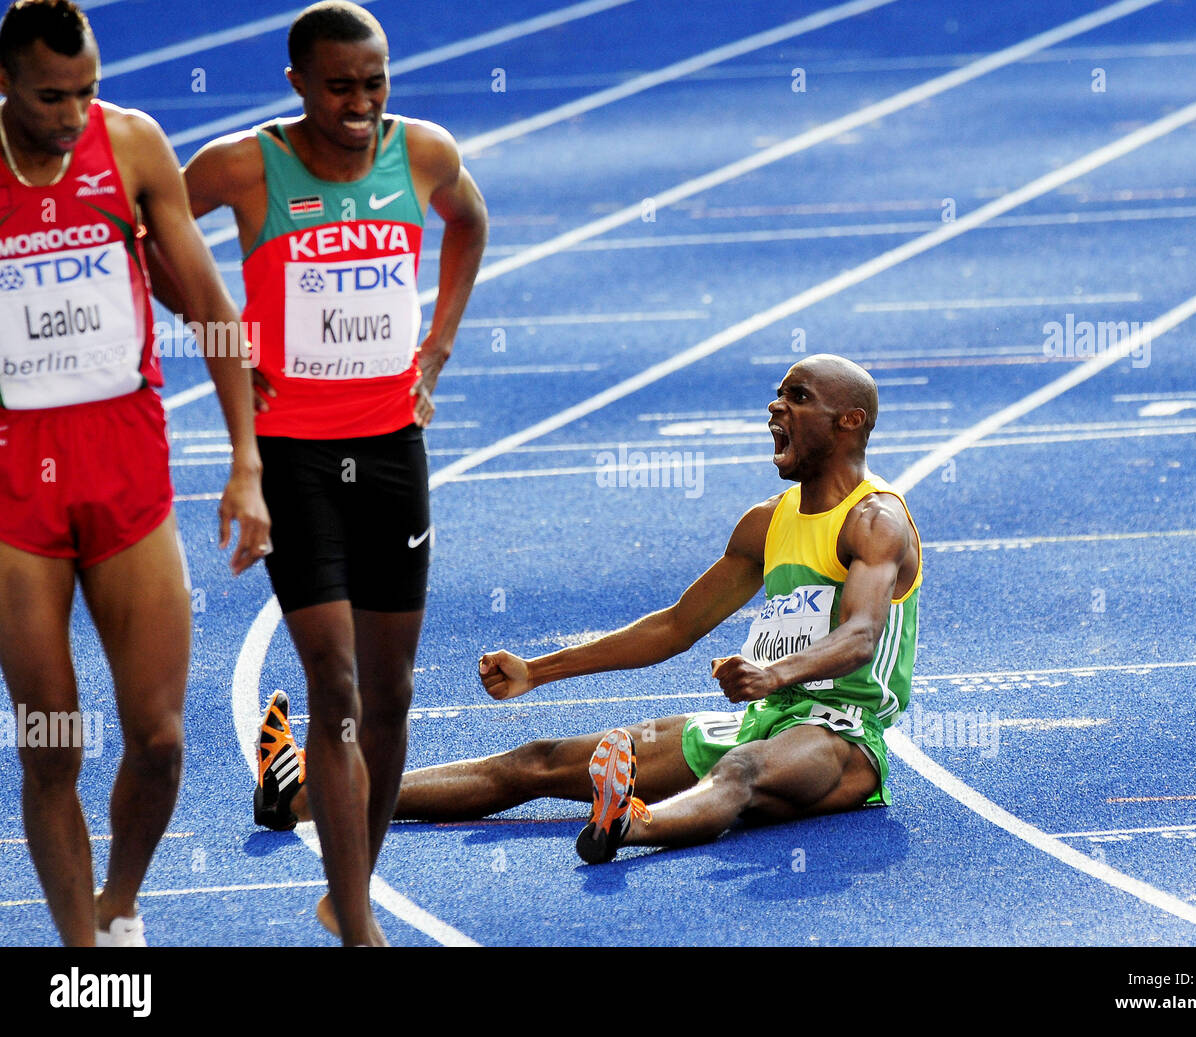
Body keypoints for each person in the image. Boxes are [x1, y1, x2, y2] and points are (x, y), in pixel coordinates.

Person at [263, 354, 921, 886]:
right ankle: (303, 795)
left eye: (798, 397)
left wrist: (772, 671)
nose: (775, 407)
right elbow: (673, 627)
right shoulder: (766, 524)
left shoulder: (875, 520)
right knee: (537, 760)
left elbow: (861, 636)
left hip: (842, 735)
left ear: (849, 422)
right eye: (777, 394)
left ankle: (629, 824)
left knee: (741, 773)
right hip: (765, 717)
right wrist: (536, 671)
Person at [163, 1, 487, 946]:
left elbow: (469, 222)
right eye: (339, 85)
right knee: (336, 689)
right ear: (297, 81)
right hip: (292, 457)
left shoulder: (421, 153)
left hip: (392, 448)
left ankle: (351, 883)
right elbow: (154, 240)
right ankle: (358, 924)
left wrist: (439, 348)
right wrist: (220, 333)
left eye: (375, 81)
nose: (360, 102)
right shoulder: (240, 166)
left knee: (391, 696)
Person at [0, 0, 270, 947]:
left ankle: (120, 904)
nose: (74, 115)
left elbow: (210, 307)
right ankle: (82, 958)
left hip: (127, 470)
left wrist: (246, 464)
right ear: (5, 82)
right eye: (50, 97)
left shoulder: (134, 146)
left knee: (159, 738)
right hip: (13, 493)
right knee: (51, 743)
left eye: (88, 91)